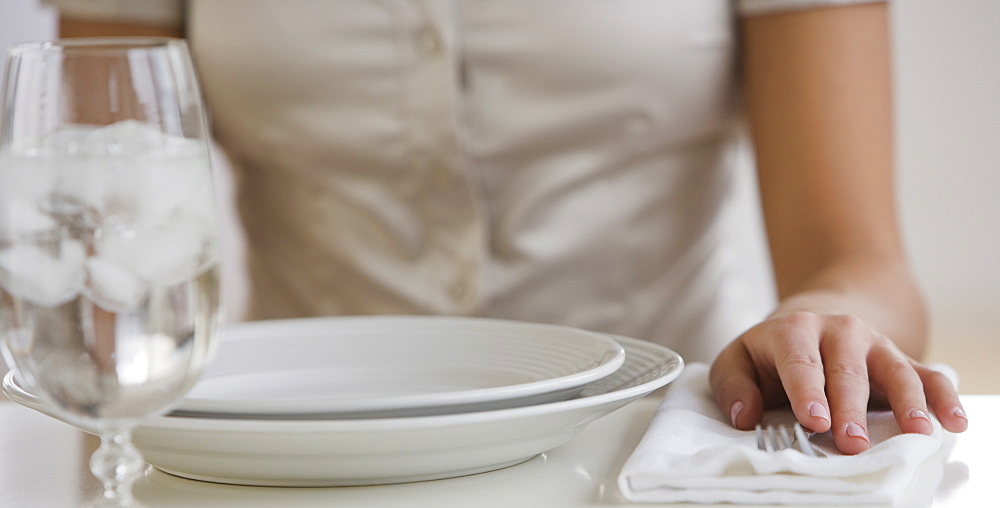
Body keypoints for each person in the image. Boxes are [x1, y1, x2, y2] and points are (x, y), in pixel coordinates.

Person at [48, 0, 967, 453]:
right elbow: (100, 233)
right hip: (282, 461)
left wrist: (821, 328)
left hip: (657, 465)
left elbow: (860, 262)